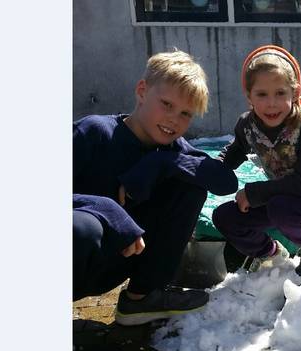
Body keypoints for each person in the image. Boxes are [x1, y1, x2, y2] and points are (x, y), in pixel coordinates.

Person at [73, 49, 238, 326]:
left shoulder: (172, 148)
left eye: (186, 113)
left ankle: (142, 298)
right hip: (79, 252)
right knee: (81, 227)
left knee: (191, 186)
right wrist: (108, 209)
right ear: (141, 91)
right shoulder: (93, 132)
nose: (174, 119)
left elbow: (225, 182)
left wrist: (162, 162)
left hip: (115, 265)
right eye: (166, 104)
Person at [212, 45, 301, 276]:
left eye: (280, 93)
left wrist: (253, 194)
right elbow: (234, 152)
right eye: (262, 94)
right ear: (249, 96)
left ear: (295, 92)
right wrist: (210, 170)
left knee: (280, 206)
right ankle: (270, 253)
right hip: (279, 202)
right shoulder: (247, 125)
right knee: (224, 216)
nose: (271, 103)